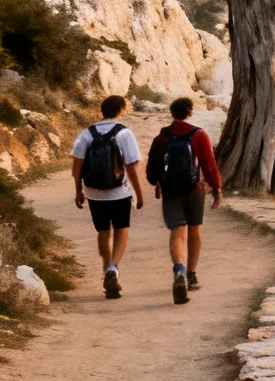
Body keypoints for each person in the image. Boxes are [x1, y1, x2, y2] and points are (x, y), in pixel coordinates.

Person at [146, 97, 221, 305]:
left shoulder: (162, 137)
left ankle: (178, 270)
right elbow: (208, 164)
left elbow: (152, 171)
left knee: (177, 232)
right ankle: (191, 274)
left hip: (170, 191)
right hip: (194, 191)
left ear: (172, 113)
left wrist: (158, 183)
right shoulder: (198, 134)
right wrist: (216, 188)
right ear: (190, 112)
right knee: (194, 231)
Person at [72, 95, 144, 299]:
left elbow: (77, 166)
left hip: (94, 192)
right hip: (119, 192)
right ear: (121, 109)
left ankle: (106, 269)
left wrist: (78, 190)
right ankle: (113, 269)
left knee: (103, 232)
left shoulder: (86, 133)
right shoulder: (124, 133)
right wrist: (138, 193)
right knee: (122, 231)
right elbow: (131, 166)